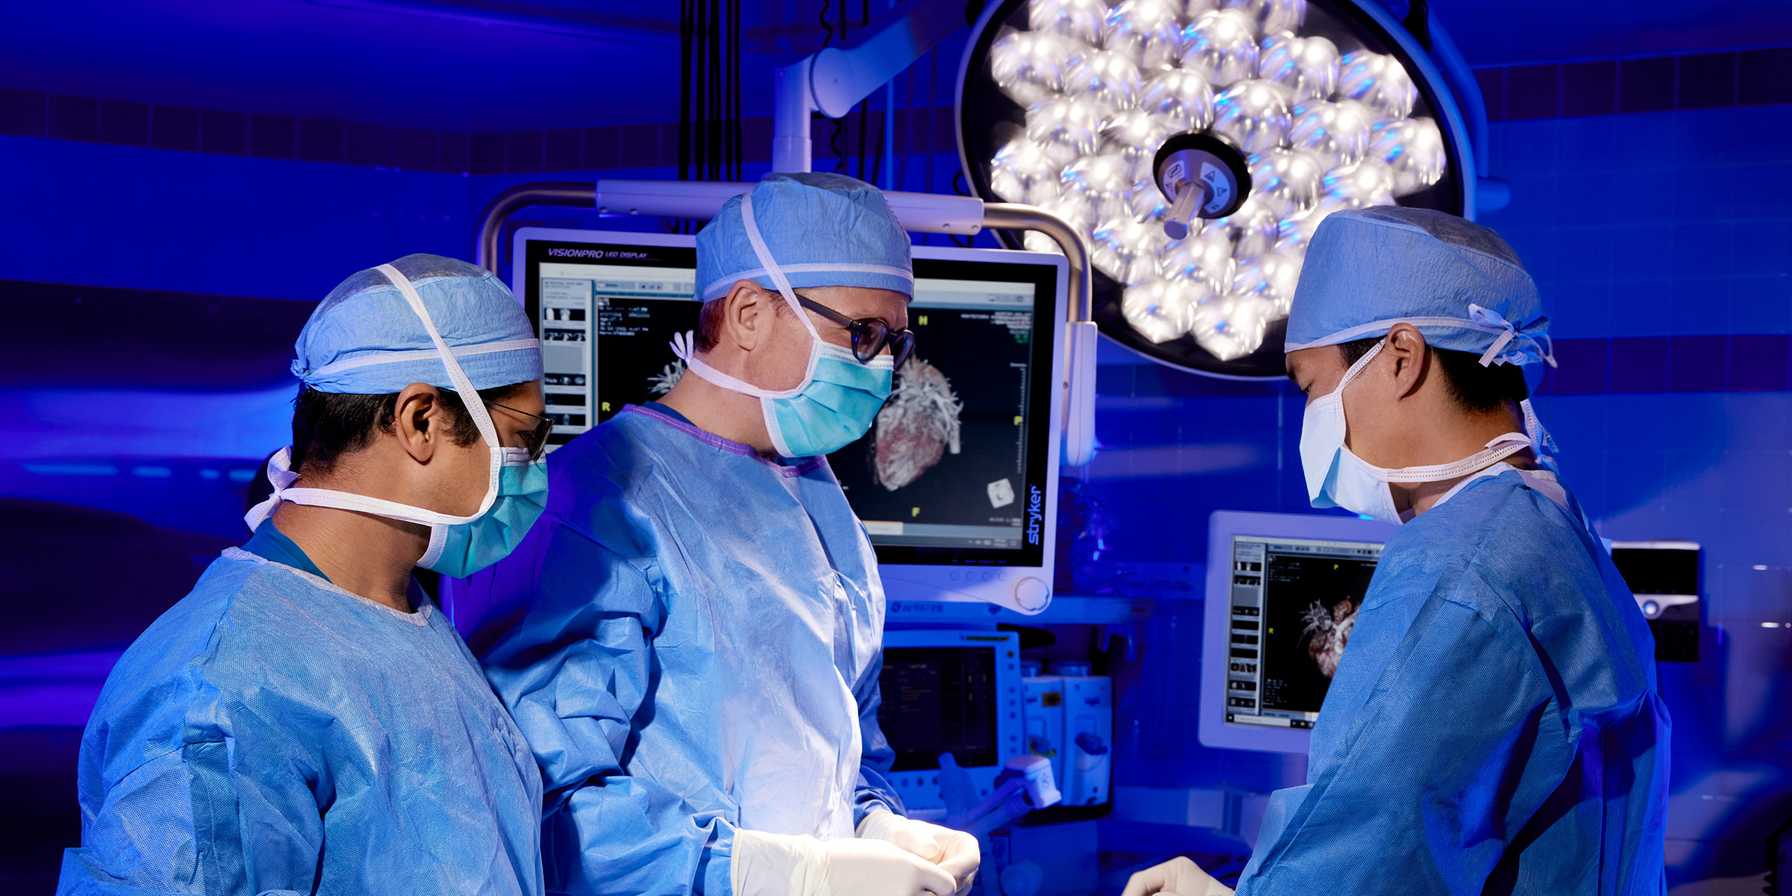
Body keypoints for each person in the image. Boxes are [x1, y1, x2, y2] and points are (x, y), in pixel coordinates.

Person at [461, 173, 979, 896]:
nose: (885, 367)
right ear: (746, 314)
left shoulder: (820, 505)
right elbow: (550, 804)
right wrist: (780, 876)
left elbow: (835, 751)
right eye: (862, 335)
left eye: (896, 339)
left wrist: (872, 826)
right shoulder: (596, 505)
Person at [1125, 208, 1670, 896]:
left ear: (1403, 358)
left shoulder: (1460, 571)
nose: (1313, 418)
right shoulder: (1553, 529)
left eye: (1312, 388)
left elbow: (1361, 861)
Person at [58, 255, 553, 895]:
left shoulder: (398, 616)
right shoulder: (218, 690)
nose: (535, 468)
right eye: (524, 438)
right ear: (421, 420)